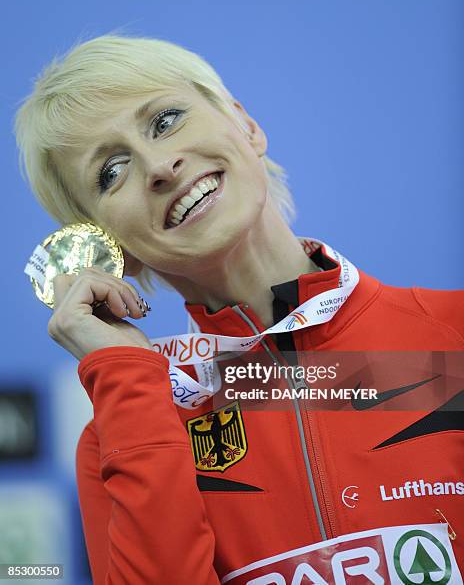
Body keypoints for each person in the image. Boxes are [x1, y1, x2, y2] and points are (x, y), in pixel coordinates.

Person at [16, 35, 464, 584]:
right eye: (111, 171)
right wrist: (129, 382)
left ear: (245, 125)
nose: (159, 165)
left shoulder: (453, 334)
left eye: (165, 120)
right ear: (112, 248)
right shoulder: (119, 436)